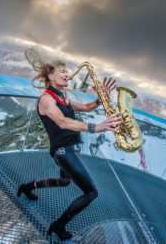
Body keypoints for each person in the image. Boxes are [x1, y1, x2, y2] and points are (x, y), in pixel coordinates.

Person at [17, 55, 121, 241]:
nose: (67, 74)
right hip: (63, 151)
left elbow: (86, 107)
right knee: (91, 193)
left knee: (64, 181)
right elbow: (62, 122)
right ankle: (59, 225)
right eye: (62, 71)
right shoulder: (46, 99)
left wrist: (101, 97)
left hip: (71, 148)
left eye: (67, 71)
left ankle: (26, 187)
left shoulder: (63, 97)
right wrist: (95, 128)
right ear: (50, 75)